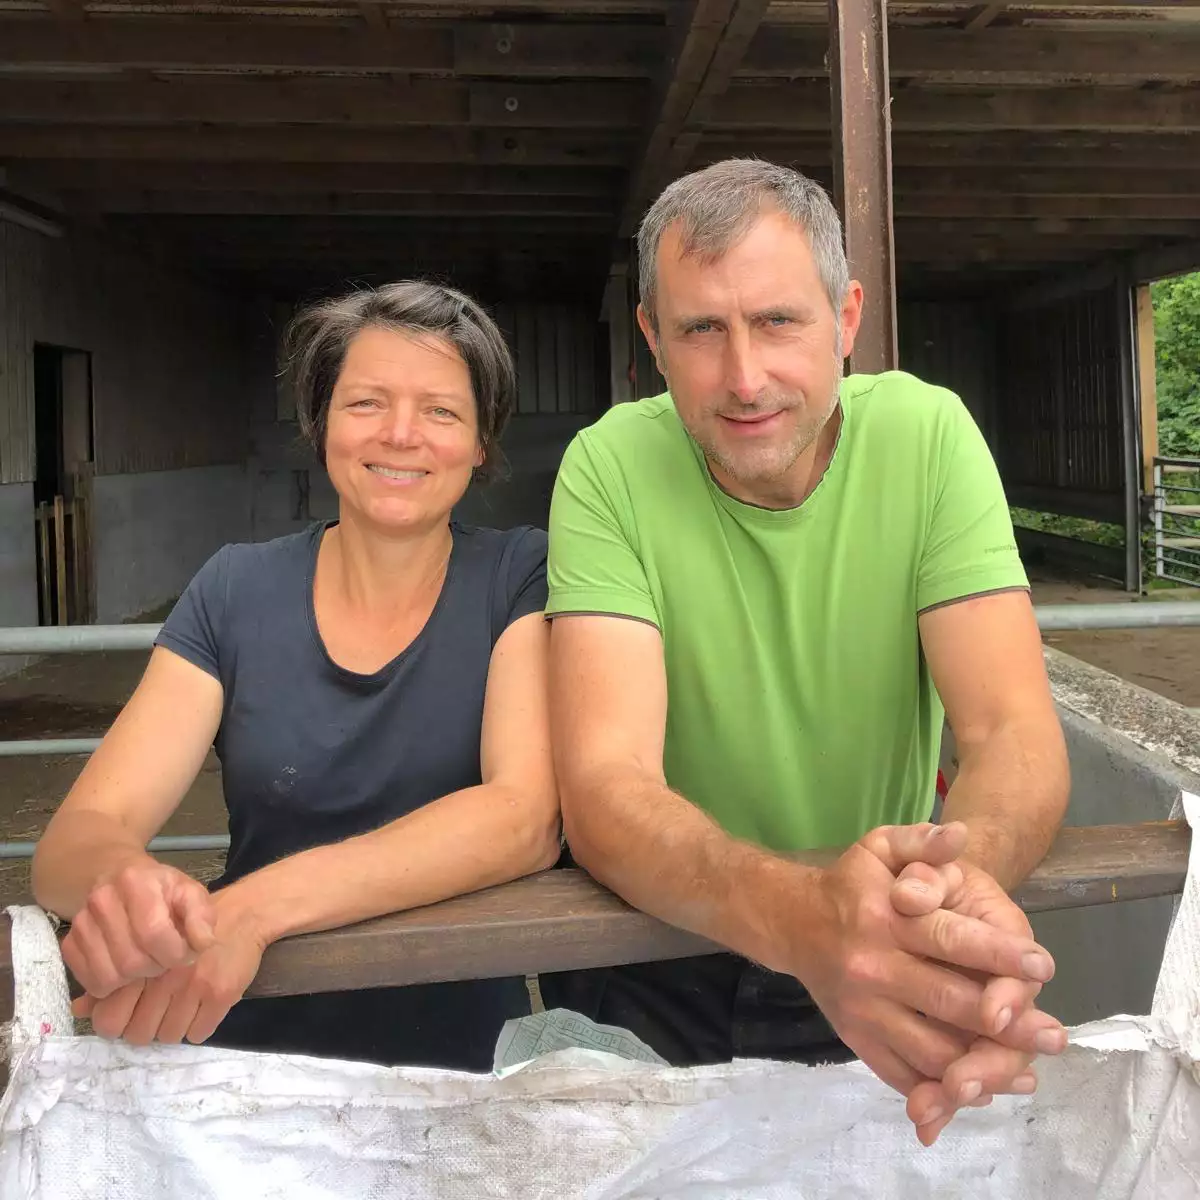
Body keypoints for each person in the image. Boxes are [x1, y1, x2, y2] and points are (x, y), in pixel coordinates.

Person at [538, 159, 1072, 1144]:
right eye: (702, 329)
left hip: (887, 941)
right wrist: (808, 919)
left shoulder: (928, 436)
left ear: (847, 315)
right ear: (653, 337)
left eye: (778, 321)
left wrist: (959, 892)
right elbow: (606, 788)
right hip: (656, 949)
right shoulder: (607, 465)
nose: (744, 378)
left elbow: (1009, 730)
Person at [32, 280, 560, 1071]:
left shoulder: (519, 575)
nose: (402, 434)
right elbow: (73, 842)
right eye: (366, 403)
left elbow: (523, 818)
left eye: (443, 411)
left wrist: (246, 912)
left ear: (482, 441)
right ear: (320, 427)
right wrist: (136, 894)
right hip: (241, 1046)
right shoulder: (237, 589)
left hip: (462, 1067)